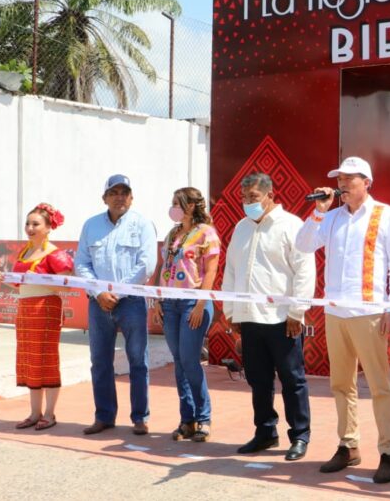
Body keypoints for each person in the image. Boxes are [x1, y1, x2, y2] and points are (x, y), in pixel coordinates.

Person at [296, 157, 390, 484]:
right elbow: (303, 244)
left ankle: (389, 451)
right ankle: (349, 445)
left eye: (349, 179)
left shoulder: (385, 215)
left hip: (369, 312)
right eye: (339, 179)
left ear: (366, 182)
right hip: (335, 312)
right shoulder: (330, 218)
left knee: (379, 386)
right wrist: (318, 209)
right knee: (340, 384)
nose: (342, 184)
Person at [222, 172, 317, 461]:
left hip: (282, 319)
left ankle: (299, 435)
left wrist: (296, 312)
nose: (248, 203)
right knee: (258, 379)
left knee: (292, 379)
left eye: (253, 198)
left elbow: (304, 270)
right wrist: (231, 310)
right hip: (249, 318)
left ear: (271, 196)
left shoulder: (292, 226)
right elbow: (232, 271)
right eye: (244, 198)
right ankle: (265, 432)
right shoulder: (241, 227)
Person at [75, 175, 157, 436]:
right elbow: (81, 263)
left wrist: (116, 293)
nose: (119, 197)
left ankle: (140, 417)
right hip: (98, 303)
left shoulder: (142, 224)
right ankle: (104, 416)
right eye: (114, 192)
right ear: (104, 198)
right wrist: (99, 292)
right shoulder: (91, 226)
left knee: (137, 361)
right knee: (99, 361)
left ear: (132, 197)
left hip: (130, 302)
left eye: (125, 192)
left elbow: (146, 265)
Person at [0, 203, 73, 431]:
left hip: (45, 308)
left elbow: (67, 286)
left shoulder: (55, 254)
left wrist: (37, 279)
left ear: (49, 227)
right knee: (30, 359)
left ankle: (49, 413)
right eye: (27, 223)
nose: (29, 227)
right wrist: (5, 278)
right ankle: (34, 412)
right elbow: (22, 283)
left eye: (35, 224)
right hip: (26, 308)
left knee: (46, 358)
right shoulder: (26, 251)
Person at [153, 187, 221, 442]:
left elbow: (211, 272)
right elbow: (163, 267)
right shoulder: (173, 233)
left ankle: (204, 418)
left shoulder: (207, 233)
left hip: (193, 302)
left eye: (176, 203)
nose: (173, 208)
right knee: (179, 362)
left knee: (191, 361)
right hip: (170, 303)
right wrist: (158, 298)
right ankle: (187, 419)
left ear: (190, 206)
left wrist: (201, 305)